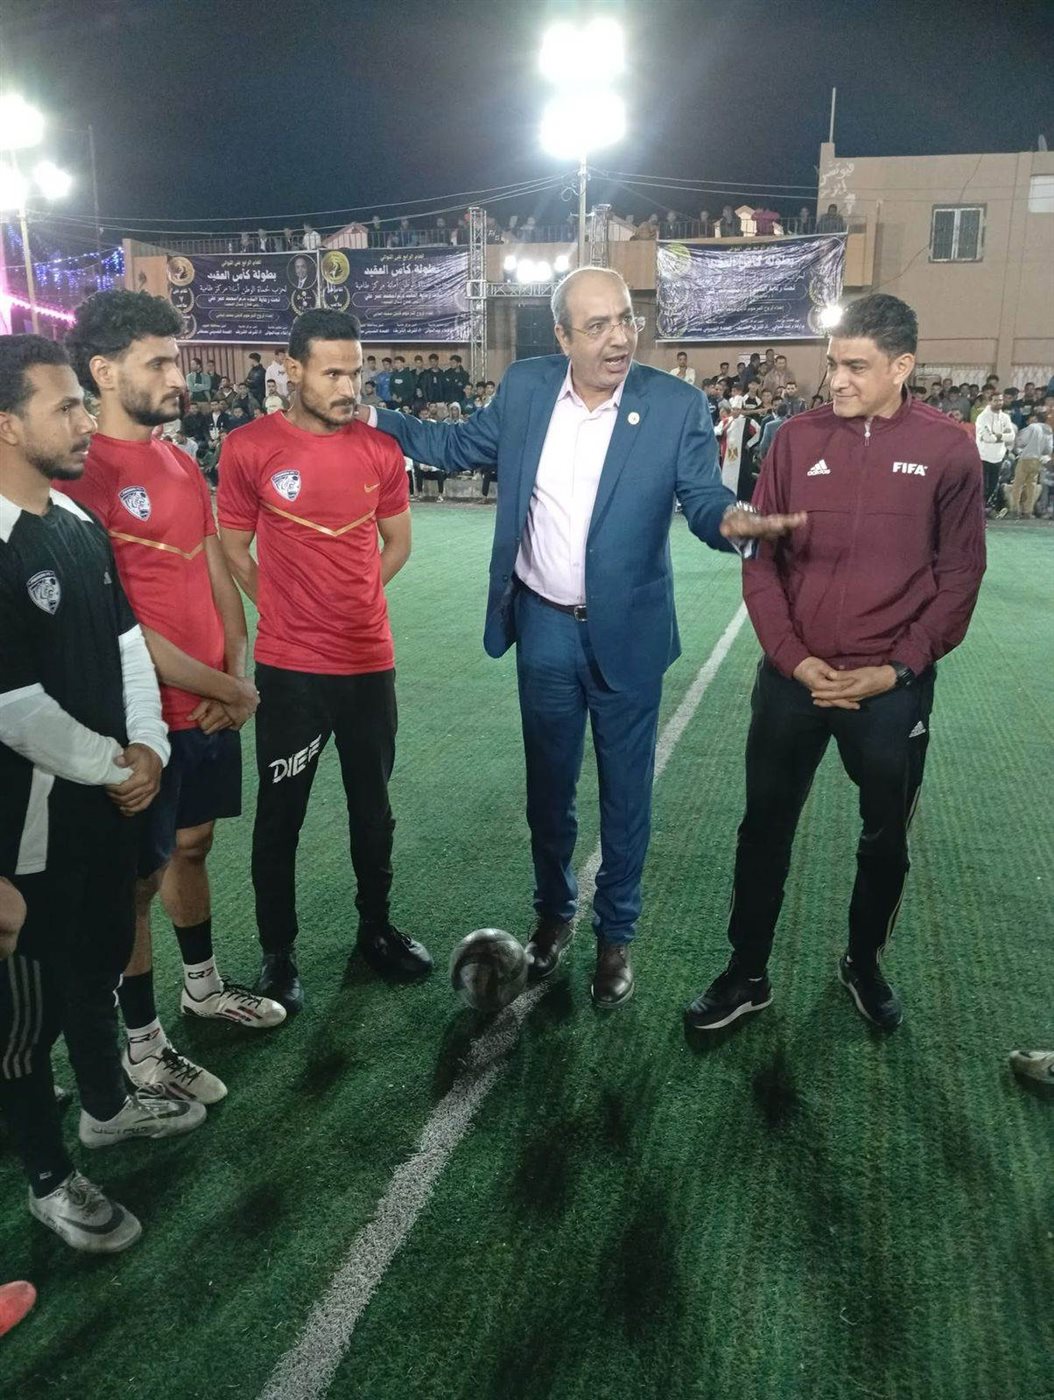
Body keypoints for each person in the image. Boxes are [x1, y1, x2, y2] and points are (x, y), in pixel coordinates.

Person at [355, 268, 803, 1007]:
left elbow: (702, 496)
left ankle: (615, 935)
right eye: (597, 326)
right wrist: (375, 419)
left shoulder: (674, 404)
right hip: (544, 627)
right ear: (562, 336)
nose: (619, 337)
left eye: (625, 319)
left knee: (626, 798)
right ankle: (555, 914)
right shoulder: (528, 388)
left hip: (629, 634)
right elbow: (457, 444)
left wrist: (733, 522)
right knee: (549, 790)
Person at [686, 294, 986, 1034]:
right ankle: (747, 972)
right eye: (833, 364)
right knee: (764, 828)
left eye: (856, 366)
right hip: (793, 682)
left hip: (889, 689)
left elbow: (960, 575)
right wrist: (792, 658)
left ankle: (864, 961)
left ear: (902, 367)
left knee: (885, 838)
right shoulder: (794, 440)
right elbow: (760, 559)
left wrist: (899, 668)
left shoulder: (949, 449)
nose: (837, 380)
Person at [0, 335, 205, 1253]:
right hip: (22, 831)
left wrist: (149, 741)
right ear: (8, 426)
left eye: (84, 403)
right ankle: (48, 1180)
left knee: (94, 963)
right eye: (65, 407)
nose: (87, 420)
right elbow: (14, 707)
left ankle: (107, 1108)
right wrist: (121, 766)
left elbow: (127, 648)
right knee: (23, 1017)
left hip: (101, 804)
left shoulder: (77, 524)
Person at [64, 292, 282, 1103]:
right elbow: (117, 624)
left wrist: (237, 669)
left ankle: (202, 987)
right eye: (157, 362)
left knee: (193, 844)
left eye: (176, 359)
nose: (176, 376)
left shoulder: (180, 460)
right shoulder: (83, 478)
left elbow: (215, 565)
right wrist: (227, 685)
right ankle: (142, 1045)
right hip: (143, 717)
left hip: (212, 704)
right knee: (135, 880)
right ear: (103, 371)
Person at [217, 309, 432, 1013]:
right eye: (333, 372)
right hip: (292, 671)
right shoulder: (248, 448)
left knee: (373, 810)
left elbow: (397, 542)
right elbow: (233, 547)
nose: (348, 386)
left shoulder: (379, 450)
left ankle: (376, 931)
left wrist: (360, 596)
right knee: (281, 815)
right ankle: (278, 953)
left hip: (369, 663)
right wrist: (279, 605)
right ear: (293, 369)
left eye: (355, 371)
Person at [974, 391, 1016, 510]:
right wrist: (1002, 436)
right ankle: (978, 509)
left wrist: (996, 435)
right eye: (996, 400)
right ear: (990, 401)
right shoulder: (983, 417)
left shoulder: (1005, 417)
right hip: (983, 456)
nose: (999, 403)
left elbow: (1012, 436)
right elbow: (988, 438)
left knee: (993, 486)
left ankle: (987, 508)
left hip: (998, 457)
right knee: (982, 486)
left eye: (1000, 400)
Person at [1008, 410, 1052, 518]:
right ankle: (1028, 511)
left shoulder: (1032, 427)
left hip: (1025, 458)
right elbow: (1048, 449)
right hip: (1037, 460)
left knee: (1018, 485)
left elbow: (1021, 441)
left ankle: (1015, 509)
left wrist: (1020, 448)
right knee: (1031, 486)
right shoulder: (1048, 430)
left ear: (1036, 418)